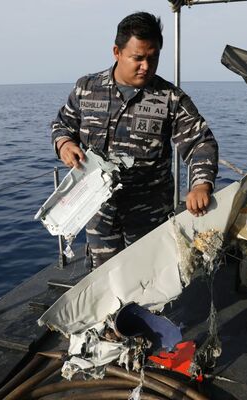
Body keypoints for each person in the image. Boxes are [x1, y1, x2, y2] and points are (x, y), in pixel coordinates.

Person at [51, 12, 218, 267]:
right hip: (97, 211)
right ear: (117, 52)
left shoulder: (170, 98)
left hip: (148, 214)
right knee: (103, 278)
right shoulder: (86, 88)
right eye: (138, 58)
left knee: (147, 277)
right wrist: (65, 144)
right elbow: (62, 125)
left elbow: (200, 143)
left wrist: (201, 185)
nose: (146, 66)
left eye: (153, 58)